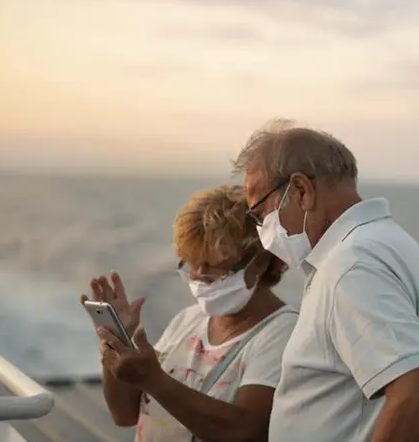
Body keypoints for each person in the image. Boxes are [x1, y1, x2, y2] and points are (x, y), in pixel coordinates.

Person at [234, 119, 419, 442]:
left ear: (301, 190)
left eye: (259, 213)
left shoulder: (350, 267)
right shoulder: (391, 243)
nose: (260, 230)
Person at [80, 184, 297, 442]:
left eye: (213, 264)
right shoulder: (189, 320)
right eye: (193, 262)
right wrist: (115, 349)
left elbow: (246, 431)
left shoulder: (284, 334)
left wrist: (155, 381)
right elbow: (124, 415)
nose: (198, 274)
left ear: (260, 261)